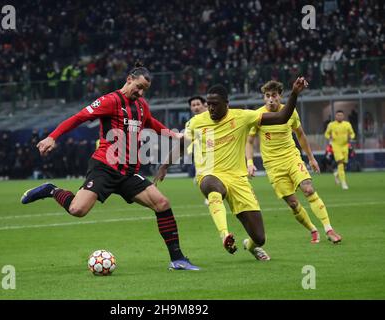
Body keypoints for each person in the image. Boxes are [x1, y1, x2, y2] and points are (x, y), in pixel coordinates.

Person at [21, 62, 199, 271]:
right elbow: (79, 117)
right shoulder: (109, 101)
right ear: (129, 79)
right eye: (138, 87)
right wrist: (52, 137)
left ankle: (177, 259)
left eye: (144, 90)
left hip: (128, 172)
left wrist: (173, 134)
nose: (140, 92)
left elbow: (150, 122)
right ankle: (51, 190)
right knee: (77, 210)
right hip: (104, 167)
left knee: (162, 203)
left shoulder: (142, 105)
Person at [155, 77, 308, 260]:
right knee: (210, 185)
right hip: (210, 174)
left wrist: (294, 94)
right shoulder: (197, 122)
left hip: (238, 180)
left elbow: (281, 117)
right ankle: (224, 234)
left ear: (226, 104)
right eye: (209, 104)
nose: (211, 108)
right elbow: (182, 145)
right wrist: (164, 166)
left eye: (215, 104)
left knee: (259, 237)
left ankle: (250, 246)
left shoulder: (242, 117)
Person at [246, 80, 342, 244]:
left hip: (292, 158)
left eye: (274, 95)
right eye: (267, 96)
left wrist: (311, 158)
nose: (270, 99)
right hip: (273, 165)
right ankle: (313, 229)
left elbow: (301, 135)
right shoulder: (258, 116)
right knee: (293, 203)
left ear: (280, 96)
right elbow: (249, 141)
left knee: (308, 189)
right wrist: (249, 161)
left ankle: (329, 229)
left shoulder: (290, 111)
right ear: (264, 98)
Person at [324, 110, 356, 190]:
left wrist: (351, 137)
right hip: (336, 146)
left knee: (344, 163)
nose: (339, 116)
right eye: (338, 115)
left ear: (343, 116)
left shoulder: (347, 124)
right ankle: (343, 183)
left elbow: (352, 134)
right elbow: (326, 134)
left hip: (345, 146)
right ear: (335, 116)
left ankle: (337, 174)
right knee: (340, 162)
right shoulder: (331, 125)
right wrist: (330, 138)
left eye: (341, 115)